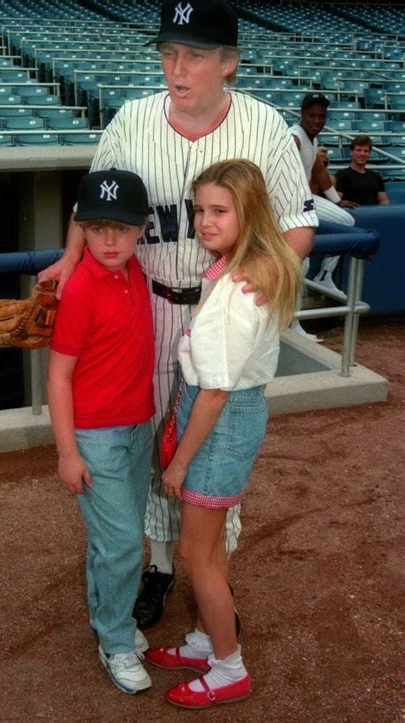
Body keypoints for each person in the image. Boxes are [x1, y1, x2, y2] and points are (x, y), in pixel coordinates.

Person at [40, 0, 317, 630]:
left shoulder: (265, 126)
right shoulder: (132, 121)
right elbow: (92, 204)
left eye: (193, 54)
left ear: (229, 64)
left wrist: (249, 285)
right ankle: (161, 567)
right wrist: (69, 260)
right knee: (150, 445)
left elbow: (298, 225)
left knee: (210, 449)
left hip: (223, 316)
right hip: (150, 309)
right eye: (168, 53)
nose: (176, 67)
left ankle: (209, 575)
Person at [145, 159, 301, 709]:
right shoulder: (242, 268)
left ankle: (229, 668)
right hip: (223, 413)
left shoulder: (239, 287)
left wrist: (178, 464)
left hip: (219, 418)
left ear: (248, 213)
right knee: (207, 546)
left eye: (219, 210)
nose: (204, 221)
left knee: (196, 551)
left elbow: (213, 392)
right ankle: (208, 639)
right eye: (199, 209)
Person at [47, 169, 156, 694]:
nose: (110, 240)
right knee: (124, 548)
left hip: (138, 427)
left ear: (140, 230)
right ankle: (115, 637)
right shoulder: (82, 289)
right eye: (97, 228)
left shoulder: (137, 271)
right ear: (81, 230)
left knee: (114, 542)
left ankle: (106, 620)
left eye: (122, 227)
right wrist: (68, 453)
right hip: (96, 437)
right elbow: (58, 377)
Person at [289, 93, 354, 297]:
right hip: (289, 204)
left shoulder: (312, 140)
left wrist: (337, 200)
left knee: (346, 221)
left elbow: (319, 171)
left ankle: (325, 276)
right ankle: (292, 321)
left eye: (321, 116)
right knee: (300, 263)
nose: (317, 121)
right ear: (302, 114)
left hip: (306, 199)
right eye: (311, 116)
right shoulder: (294, 137)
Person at [335, 134, 390, 206]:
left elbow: (384, 201)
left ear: (369, 153)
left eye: (366, 151)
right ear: (351, 152)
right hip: (352, 215)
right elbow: (337, 201)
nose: (362, 154)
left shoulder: (376, 176)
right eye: (359, 150)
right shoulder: (341, 175)